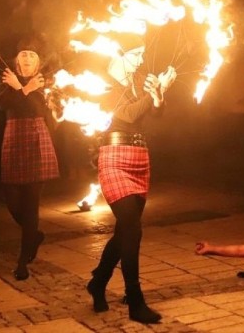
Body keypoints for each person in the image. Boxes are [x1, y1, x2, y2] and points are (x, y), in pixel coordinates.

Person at [86, 33, 176, 324]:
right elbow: (124, 114)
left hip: (140, 159)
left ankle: (98, 281)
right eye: (135, 54)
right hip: (113, 158)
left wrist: (158, 97)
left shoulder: (138, 81)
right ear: (118, 52)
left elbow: (155, 115)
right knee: (132, 228)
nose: (139, 60)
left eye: (142, 54)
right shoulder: (98, 80)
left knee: (126, 229)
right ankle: (135, 300)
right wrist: (153, 95)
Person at [0, 47, 59, 281]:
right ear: (16, 61)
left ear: (38, 64)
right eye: (23, 54)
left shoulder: (45, 85)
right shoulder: (7, 80)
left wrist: (23, 89)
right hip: (14, 139)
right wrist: (22, 88)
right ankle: (33, 234)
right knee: (13, 202)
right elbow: (4, 105)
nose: (27, 57)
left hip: (35, 140)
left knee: (31, 204)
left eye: (33, 55)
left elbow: (35, 109)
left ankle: (23, 261)